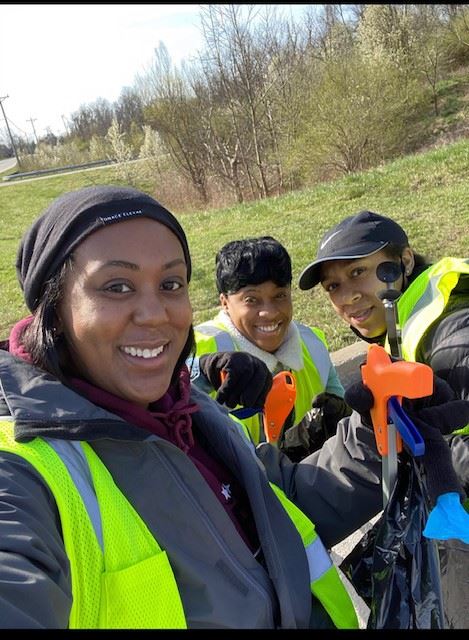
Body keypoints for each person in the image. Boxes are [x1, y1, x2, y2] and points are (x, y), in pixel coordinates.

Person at [0, 187, 467, 629]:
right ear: (52, 306)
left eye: (171, 282)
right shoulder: (23, 468)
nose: (155, 312)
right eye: (117, 286)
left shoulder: (189, 412)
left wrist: (378, 431)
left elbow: (286, 504)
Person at [298, 209, 469, 626]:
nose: (346, 298)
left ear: (405, 261)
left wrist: (414, 439)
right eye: (333, 286)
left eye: (359, 273)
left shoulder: (450, 331)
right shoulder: (411, 322)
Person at [191, 236, 350, 462]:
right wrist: (204, 370)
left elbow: (348, 421)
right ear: (224, 302)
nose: (270, 312)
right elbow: (162, 396)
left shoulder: (313, 345)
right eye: (251, 300)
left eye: (280, 296)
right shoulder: (201, 347)